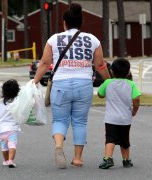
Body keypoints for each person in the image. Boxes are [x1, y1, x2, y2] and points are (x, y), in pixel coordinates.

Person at [33, 3, 111, 169]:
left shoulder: (54, 39)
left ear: (64, 22)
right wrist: (109, 81)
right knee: (80, 122)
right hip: (84, 84)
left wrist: (34, 81)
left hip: (61, 84)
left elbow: (45, 63)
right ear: (81, 22)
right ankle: (77, 158)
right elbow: (100, 65)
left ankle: (59, 146)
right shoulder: (93, 40)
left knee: (60, 120)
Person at [97, 58, 141, 169]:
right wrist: (134, 111)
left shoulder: (108, 83)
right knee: (125, 140)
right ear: (128, 72)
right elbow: (136, 99)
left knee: (110, 139)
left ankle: (108, 159)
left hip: (111, 119)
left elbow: (100, 94)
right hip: (125, 119)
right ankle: (126, 160)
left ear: (111, 71)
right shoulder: (131, 84)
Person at [0, 79, 21, 168]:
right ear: (17, 91)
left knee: (4, 147)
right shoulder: (17, 101)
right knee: (12, 145)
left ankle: (6, 160)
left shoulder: (1, 102)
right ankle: (11, 160)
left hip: (2, 130)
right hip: (12, 129)